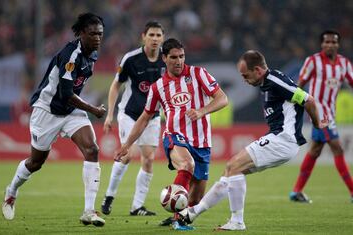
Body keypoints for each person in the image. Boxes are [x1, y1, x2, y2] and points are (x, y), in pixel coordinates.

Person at [178, 50, 328, 231]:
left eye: (245, 75)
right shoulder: (267, 84)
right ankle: (194, 214)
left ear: (257, 70)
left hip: (283, 139)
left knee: (233, 166)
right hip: (279, 139)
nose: (244, 80)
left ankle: (235, 221)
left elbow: (308, 100)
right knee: (230, 172)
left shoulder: (274, 80)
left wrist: (318, 124)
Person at [2, 13, 106, 226]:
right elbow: (66, 93)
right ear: (82, 33)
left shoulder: (92, 54)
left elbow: (73, 92)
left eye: (100, 34)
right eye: (93, 33)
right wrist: (93, 109)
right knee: (36, 162)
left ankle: (88, 211)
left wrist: (84, 110)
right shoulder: (71, 55)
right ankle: (12, 190)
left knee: (92, 150)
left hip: (70, 112)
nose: (97, 38)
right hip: (47, 111)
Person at [114, 38, 228, 230]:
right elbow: (144, 117)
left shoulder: (198, 74)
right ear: (164, 58)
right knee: (186, 163)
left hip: (202, 141)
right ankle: (176, 217)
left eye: (182, 56)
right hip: (174, 135)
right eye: (174, 57)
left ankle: (178, 217)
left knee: (196, 197)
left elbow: (222, 99)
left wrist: (201, 111)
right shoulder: (158, 87)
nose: (179, 61)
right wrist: (126, 144)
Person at [101, 21, 165, 216]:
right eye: (151, 35)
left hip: (152, 117)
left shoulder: (167, 59)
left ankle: (137, 207)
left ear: (162, 38)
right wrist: (110, 115)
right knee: (127, 155)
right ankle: (109, 196)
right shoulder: (131, 59)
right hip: (129, 114)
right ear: (143, 36)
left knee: (148, 159)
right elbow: (115, 86)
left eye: (158, 35)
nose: (155, 39)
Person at [289, 30, 353, 203]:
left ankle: (296, 192)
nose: (330, 45)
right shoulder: (313, 61)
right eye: (327, 42)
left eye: (334, 42)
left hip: (331, 113)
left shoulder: (344, 63)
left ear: (338, 45)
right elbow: (299, 85)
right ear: (322, 44)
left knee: (315, 151)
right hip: (319, 113)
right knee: (337, 148)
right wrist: (294, 106)